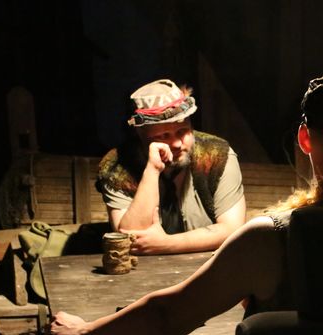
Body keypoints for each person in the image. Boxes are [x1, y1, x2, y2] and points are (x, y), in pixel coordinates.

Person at [45, 67, 323, 335]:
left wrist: (83, 331)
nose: (175, 142)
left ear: (304, 140)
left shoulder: (271, 238)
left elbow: (167, 315)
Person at [96, 78, 246, 255]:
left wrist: (166, 244)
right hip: (145, 268)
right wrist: (152, 170)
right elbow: (130, 239)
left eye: (182, 131)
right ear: (140, 134)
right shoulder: (116, 166)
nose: (176, 143)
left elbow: (232, 228)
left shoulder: (217, 154)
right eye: (163, 136)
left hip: (207, 262)